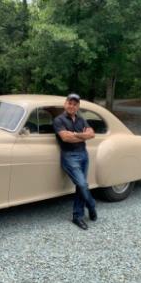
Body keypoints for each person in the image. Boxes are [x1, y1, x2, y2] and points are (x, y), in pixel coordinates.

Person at [53, 93, 97, 230]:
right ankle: (91, 206)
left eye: (75, 104)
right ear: (65, 104)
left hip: (83, 154)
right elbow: (65, 138)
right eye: (70, 103)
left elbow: (92, 134)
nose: (72, 106)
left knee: (80, 186)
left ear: (78, 106)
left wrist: (75, 135)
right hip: (69, 156)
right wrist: (82, 136)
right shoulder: (59, 120)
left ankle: (77, 216)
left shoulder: (81, 119)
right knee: (83, 184)